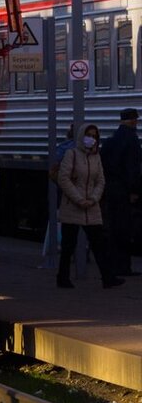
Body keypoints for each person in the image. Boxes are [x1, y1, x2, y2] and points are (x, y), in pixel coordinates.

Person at [56, 123, 123, 289]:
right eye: (89, 135)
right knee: (68, 245)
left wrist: (93, 199)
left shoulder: (96, 157)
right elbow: (64, 179)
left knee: (99, 243)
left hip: (91, 207)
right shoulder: (71, 154)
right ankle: (62, 278)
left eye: (94, 136)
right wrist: (79, 199)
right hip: (73, 205)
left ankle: (108, 278)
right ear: (81, 136)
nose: (91, 139)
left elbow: (100, 180)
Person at [99, 108, 142, 276]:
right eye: (136, 120)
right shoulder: (131, 139)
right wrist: (134, 190)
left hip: (112, 188)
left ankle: (113, 263)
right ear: (132, 121)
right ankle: (124, 267)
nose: (137, 123)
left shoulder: (112, 139)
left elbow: (104, 161)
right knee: (125, 228)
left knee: (113, 226)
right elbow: (132, 167)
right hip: (124, 189)